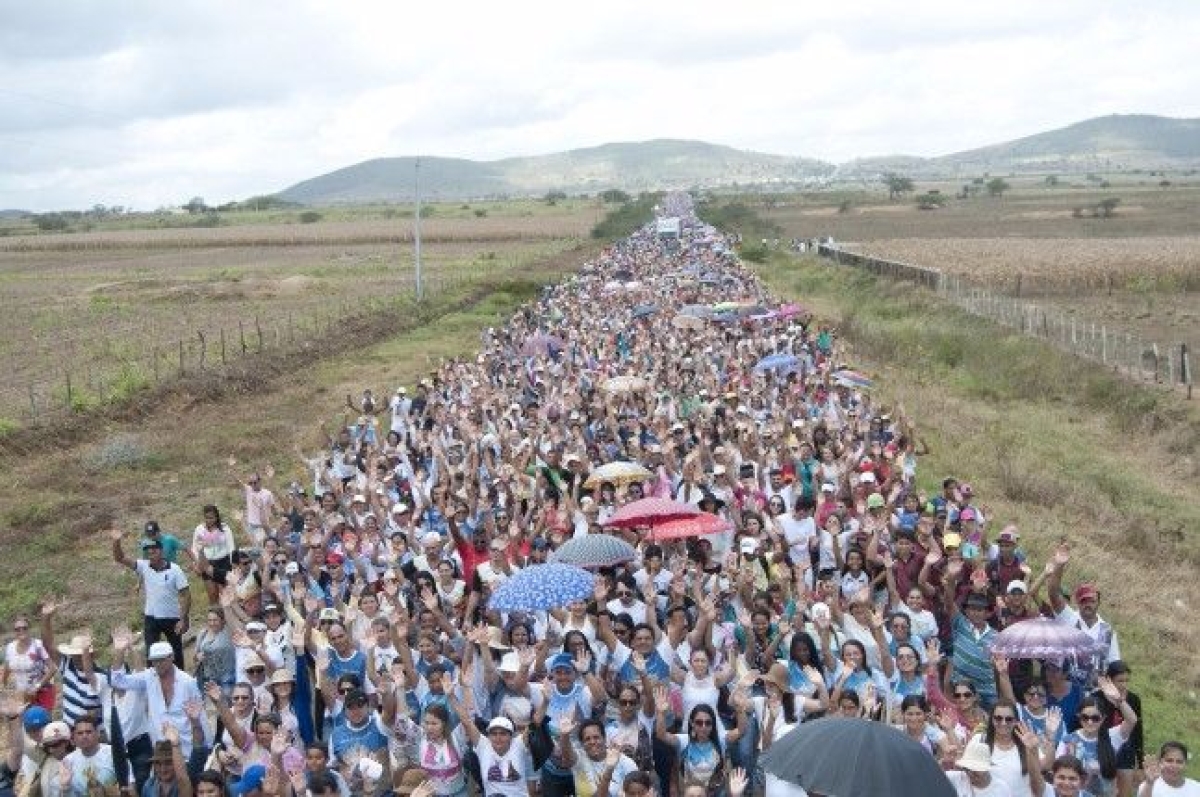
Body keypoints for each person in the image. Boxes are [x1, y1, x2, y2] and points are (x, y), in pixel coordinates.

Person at [109, 638, 204, 759]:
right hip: (160, 751)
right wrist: (120, 650)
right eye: (154, 661)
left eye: (161, 660)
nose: (158, 664)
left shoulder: (188, 682)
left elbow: (200, 716)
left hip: (186, 750)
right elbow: (117, 681)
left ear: (171, 657)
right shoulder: (149, 677)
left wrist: (204, 749)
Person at [111, 529, 191, 669]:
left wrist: (183, 618)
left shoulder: (175, 569)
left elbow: (186, 594)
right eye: (148, 551)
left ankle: (180, 683)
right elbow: (120, 558)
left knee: (176, 652)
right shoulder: (144, 566)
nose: (150, 554)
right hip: (151, 617)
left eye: (154, 550)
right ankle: (153, 682)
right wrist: (116, 542)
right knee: (151, 653)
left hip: (171, 616)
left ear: (161, 551)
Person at [2, 615, 53, 710]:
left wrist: (37, 686)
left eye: (24, 628)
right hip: (22, 694)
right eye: (17, 629)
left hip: (42, 691)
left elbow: (52, 668)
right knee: (25, 721)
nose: (21, 631)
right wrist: (3, 686)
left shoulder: (38, 645)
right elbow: (7, 668)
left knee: (43, 721)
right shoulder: (10, 648)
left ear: (29, 629)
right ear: (14, 631)